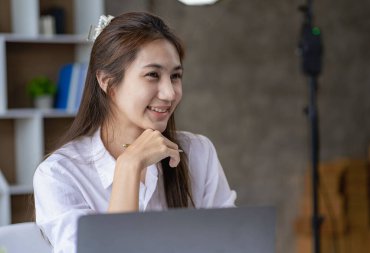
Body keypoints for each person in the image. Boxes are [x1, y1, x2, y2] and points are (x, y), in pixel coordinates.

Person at [33, 12, 236, 253]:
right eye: (153, 75)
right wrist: (129, 167)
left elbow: (232, 243)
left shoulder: (198, 151)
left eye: (176, 76)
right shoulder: (59, 174)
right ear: (107, 81)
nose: (170, 93)